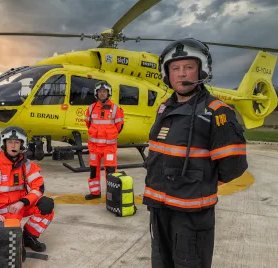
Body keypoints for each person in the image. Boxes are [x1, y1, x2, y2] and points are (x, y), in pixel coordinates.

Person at [143, 38, 248, 268]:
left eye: (188, 67)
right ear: (166, 73)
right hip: (159, 208)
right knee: (160, 262)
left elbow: (233, 166)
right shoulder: (164, 107)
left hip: (191, 213)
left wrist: (199, 183)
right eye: (175, 68)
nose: (182, 74)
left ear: (202, 70)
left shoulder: (217, 111)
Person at [0, 126, 55, 252]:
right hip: (2, 214)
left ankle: (29, 237)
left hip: (20, 206)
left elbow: (38, 187)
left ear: (22, 145)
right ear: (4, 144)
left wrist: (23, 202)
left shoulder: (27, 165)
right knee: (18, 255)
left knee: (46, 206)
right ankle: (15, 237)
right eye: (10, 142)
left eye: (17, 142)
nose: (13, 146)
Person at [84, 81, 124, 200]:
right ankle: (95, 192)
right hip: (94, 147)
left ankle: (110, 194)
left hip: (109, 148)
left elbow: (119, 127)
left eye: (104, 91)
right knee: (93, 171)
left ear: (108, 93)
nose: (102, 94)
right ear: (97, 93)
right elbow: (88, 124)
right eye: (100, 91)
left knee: (110, 172)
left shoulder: (116, 109)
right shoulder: (91, 108)